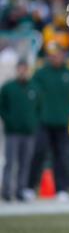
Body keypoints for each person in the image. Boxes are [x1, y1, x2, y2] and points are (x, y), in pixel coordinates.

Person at [27, 42, 69, 201]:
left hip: (62, 122)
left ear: (63, 55)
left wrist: (68, 112)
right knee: (39, 152)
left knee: (62, 156)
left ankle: (62, 189)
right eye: (52, 54)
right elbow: (33, 95)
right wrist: (39, 113)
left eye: (58, 53)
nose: (55, 57)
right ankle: (30, 187)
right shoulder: (41, 73)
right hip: (44, 122)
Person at [0, 60, 41, 201]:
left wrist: (33, 123)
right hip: (13, 132)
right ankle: (6, 191)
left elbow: (39, 108)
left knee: (25, 163)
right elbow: (2, 106)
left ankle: (20, 190)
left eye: (25, 69)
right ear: (17, 70)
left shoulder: (34, 88)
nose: (23, 71)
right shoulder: (8, 87)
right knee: (10, 162)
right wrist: (9, 121)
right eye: (20, 69)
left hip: (29, 132)